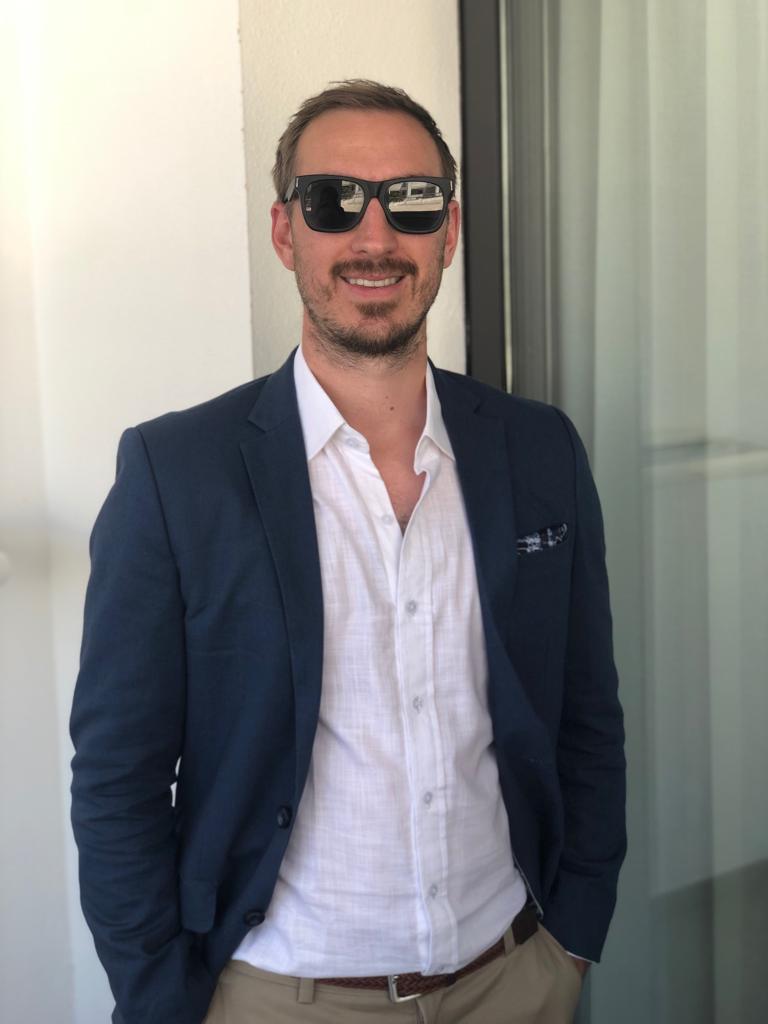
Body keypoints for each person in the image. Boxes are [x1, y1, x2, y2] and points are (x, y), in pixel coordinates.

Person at [70, 79, 626, 1024]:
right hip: (279, 996)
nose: (376, 237)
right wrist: (162, 1000)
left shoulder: (541, 451)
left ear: (448, 232)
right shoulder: (177, 473)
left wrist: (573, 939)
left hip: (515, 979)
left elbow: (587, 719)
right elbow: (118, 775)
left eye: (411, 200)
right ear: (286, 233)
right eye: (334, 200)